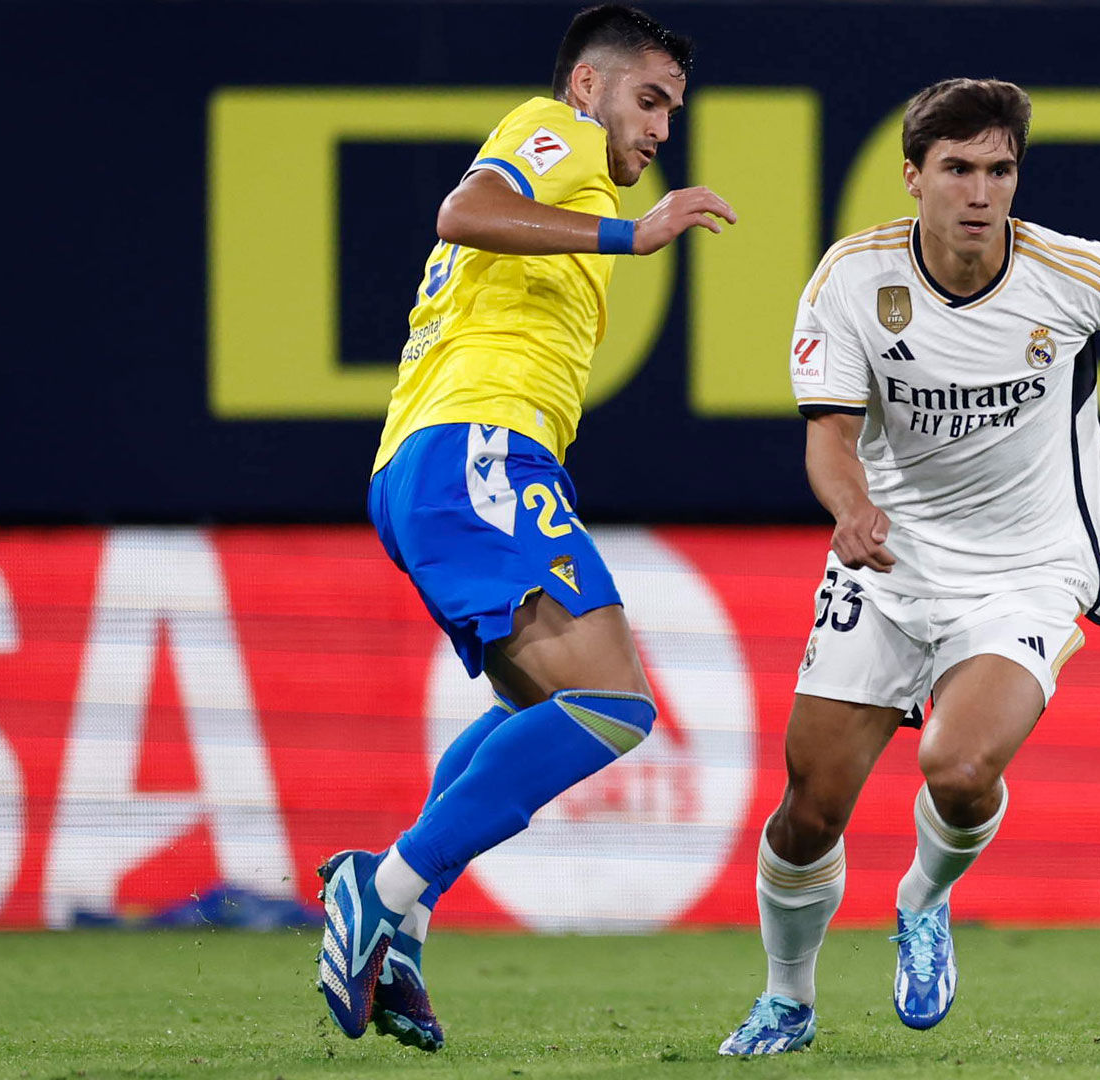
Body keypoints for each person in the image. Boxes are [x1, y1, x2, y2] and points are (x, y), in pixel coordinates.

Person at [718, 77, 1100, 1055]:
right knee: (809, 810)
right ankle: (789, 998)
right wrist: (851, 509)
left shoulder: (1067, 273)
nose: (980, 191)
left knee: (957, 767)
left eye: (998, 169)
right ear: (913, 177)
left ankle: (922, 898)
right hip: (888, 566)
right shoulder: (851, 280)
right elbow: (827, 436)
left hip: (1027, 573)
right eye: (957, 168)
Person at [314, 4, 735, 1052]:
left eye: (672, 110)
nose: (659, 128)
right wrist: (628, 234)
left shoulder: (577, 163)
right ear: (587, 87)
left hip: (428, 462)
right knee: (612, 705)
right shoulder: (554, 133)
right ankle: (388, 886)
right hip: (479, 446)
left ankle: (399, 928)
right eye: (648, 99)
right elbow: (464, 210)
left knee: (533, 703)